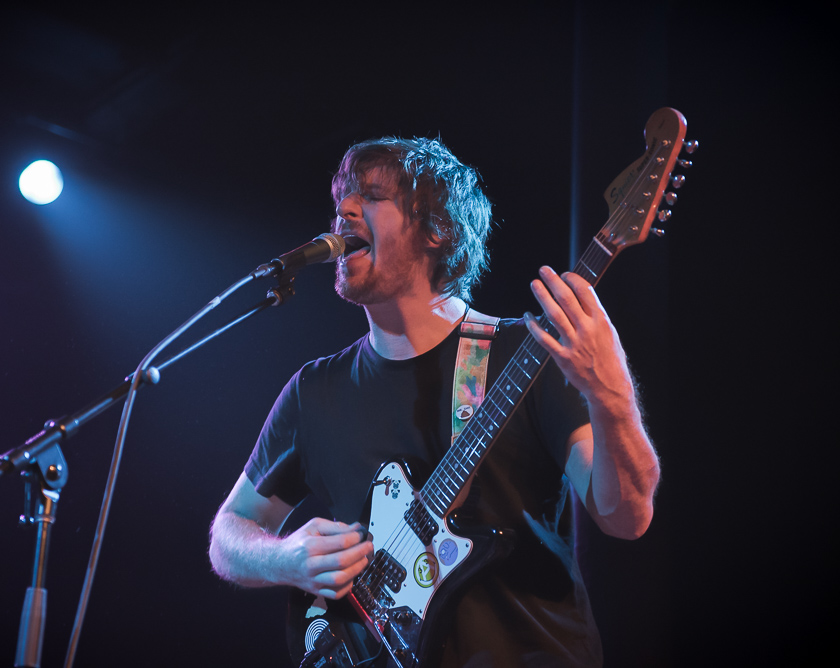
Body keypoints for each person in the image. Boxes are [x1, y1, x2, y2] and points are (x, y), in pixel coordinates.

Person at [208, 137, 660, 667]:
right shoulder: (314, 391)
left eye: (371, 195)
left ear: (437, 229)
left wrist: (611, 396)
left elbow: (627, 517)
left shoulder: (529, 354)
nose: (344, 210)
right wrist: (285, 558)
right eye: (341, 200)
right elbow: (228, 534)